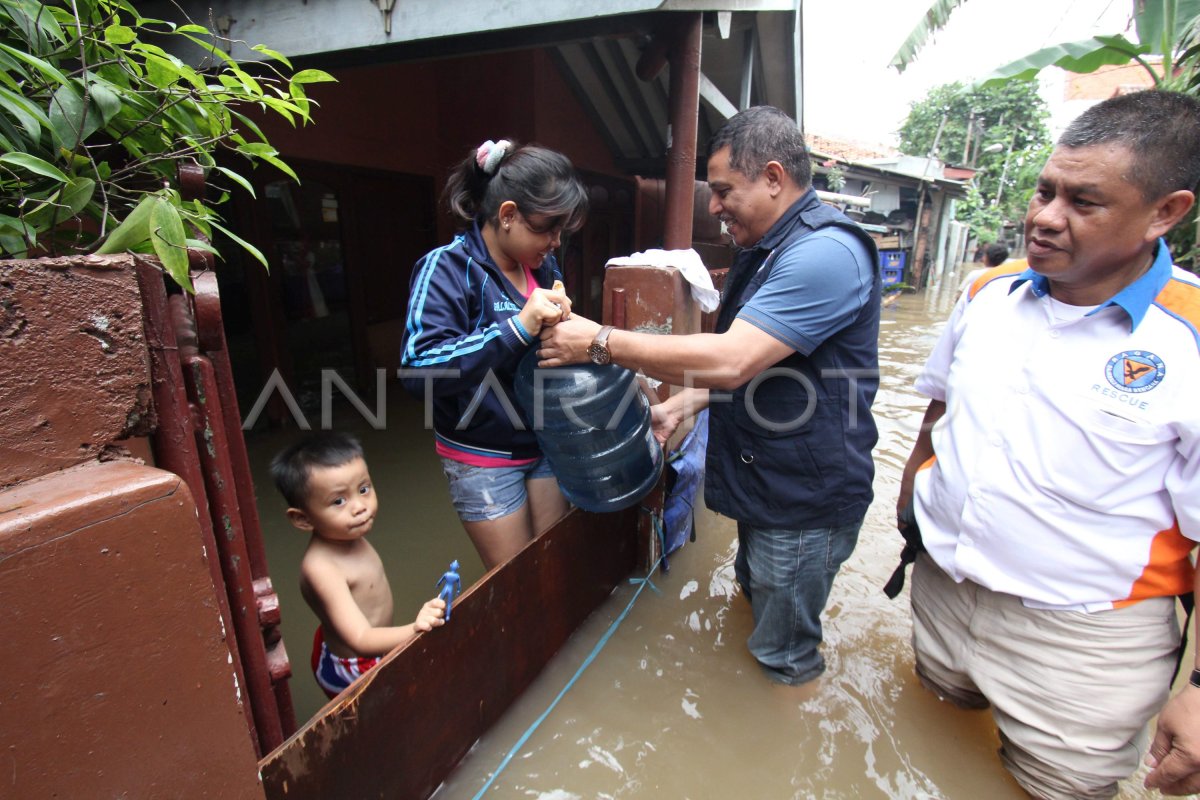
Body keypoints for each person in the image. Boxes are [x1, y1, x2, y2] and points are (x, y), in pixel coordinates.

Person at [897, 90, 1200, 798]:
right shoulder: (987, 294)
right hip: (944, 591)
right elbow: (937, 413)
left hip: (1084, 647)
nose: (1043, 218)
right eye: (1044, 190)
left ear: (1166, 212)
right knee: (929, 740)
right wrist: (912, 509)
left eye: (1083, 203)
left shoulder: (1189, 340)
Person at [538, 105, 881, 686]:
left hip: (802, 499)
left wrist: (598, 341)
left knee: (783, 659)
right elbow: (770, 368)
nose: (714, 206)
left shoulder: (824, 254)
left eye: (724, 191)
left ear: (774, 178)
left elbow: (734, 358)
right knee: (757, 598)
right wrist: (683, 404)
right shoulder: (772, 247)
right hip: (771, 484)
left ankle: (776, 756)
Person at [399, 140, 588, 570]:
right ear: (507, 215)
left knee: (554, 563)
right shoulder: (445, 268)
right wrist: (518, 328)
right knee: (518, 581)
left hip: (544, 442)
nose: (556, 242)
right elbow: (418, 370)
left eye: (562, 231)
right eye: (548, 228)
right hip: (482, 457)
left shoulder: (543, 269)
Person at [270, 432, 446, 699]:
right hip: (354, 666)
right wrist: (414, 629)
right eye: (339, 501)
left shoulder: (347, 535)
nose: (360, 507)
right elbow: (361, 639)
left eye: (363, 489)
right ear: (303, 519)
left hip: (367, 640)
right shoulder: (322, 569)